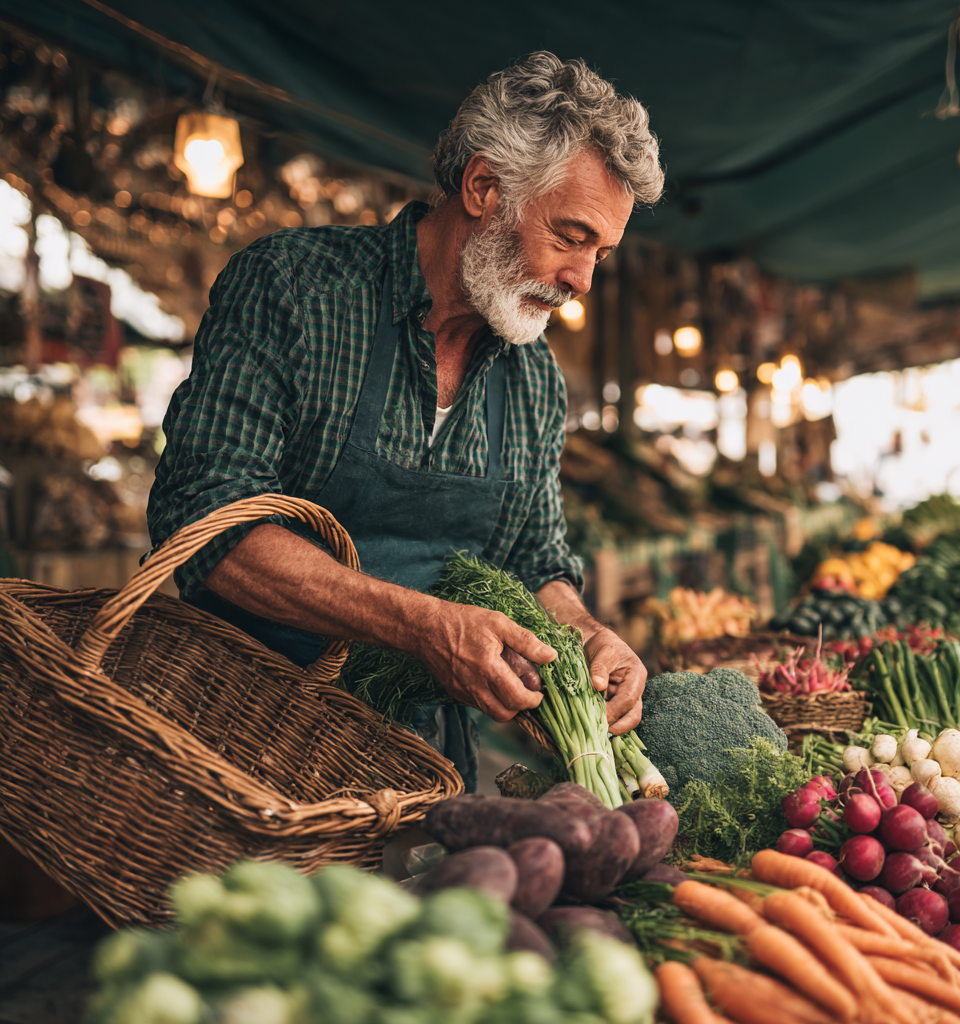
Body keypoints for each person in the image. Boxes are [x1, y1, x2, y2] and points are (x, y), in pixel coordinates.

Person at [147, 52, 664, 788]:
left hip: (423, 768)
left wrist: (584, 633)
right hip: (241, 742)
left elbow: (533, 561)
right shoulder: (296, 289)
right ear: (483, 186)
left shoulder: (534, 379)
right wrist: (423, 626)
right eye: (570, 236)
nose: (582, 280)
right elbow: (204, 520)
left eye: (601, 253)